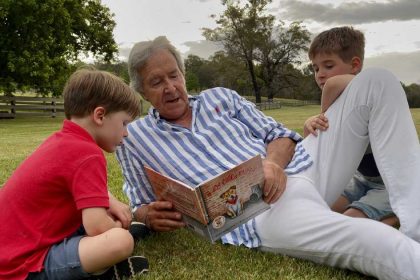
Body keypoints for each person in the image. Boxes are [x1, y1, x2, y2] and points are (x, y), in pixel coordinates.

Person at [116, 36, 420, 279]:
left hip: (302, 165)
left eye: (174, 75)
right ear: (142, 90)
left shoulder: (221, 96)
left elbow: (280, 135)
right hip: (262, 212)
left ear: (183, 74)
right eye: (157, 82)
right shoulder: (134, 138)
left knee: (377, 82)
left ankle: (415, 223)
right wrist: (146, 216)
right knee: (375, 241)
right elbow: (139, 201)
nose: (171, 88)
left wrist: (273, 164)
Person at [0, 68, 149, 280]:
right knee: (120, 241)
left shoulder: (62, 141)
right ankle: (101, 271)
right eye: (124, 123)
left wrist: (111, 202)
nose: (126, 132)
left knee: (101, 215)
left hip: (11, 247)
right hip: (23, 263)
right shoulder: (88, 153)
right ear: (100, 115)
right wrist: (117, 229)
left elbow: (80, 188)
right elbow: (97, 227)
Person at [303, 26, 398, 226]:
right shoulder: (337, 103)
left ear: (355, 65)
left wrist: (323, 114)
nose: (320, 74)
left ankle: (398, 214)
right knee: (318, 211)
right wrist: (310, 125)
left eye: (328, 66)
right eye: (316, 68)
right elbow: (315, 148)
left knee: (349, 224)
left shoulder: (371, 93)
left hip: (391, 184)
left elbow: (333, 84)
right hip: (360, 178)